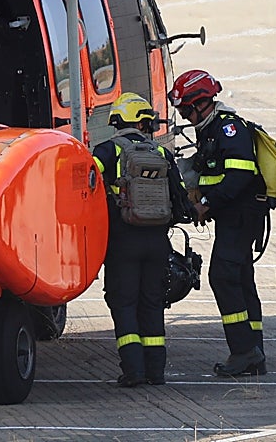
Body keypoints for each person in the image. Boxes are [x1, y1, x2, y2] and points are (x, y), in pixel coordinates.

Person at [169, 68, 268, 377]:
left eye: (187, 108)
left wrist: (207, 204)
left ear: (203, 103)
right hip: (233, 215)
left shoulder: (229, 130)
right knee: (240, 279)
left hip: (240, 216)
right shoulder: (210, 130)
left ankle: (243, 351)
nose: (185, 115)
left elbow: (240, 176)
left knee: (223, 277)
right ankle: (255, 353)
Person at [92, 92, 189, 387]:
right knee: (152, 303)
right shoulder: (162, 154)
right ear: (143, 122)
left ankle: (133, 371)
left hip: (122, 242)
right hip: (158, 243)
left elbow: (85, 182)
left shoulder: (107, 150)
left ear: (118, 122)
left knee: (123, 304)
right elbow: (181, 201)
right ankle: (156, 372)